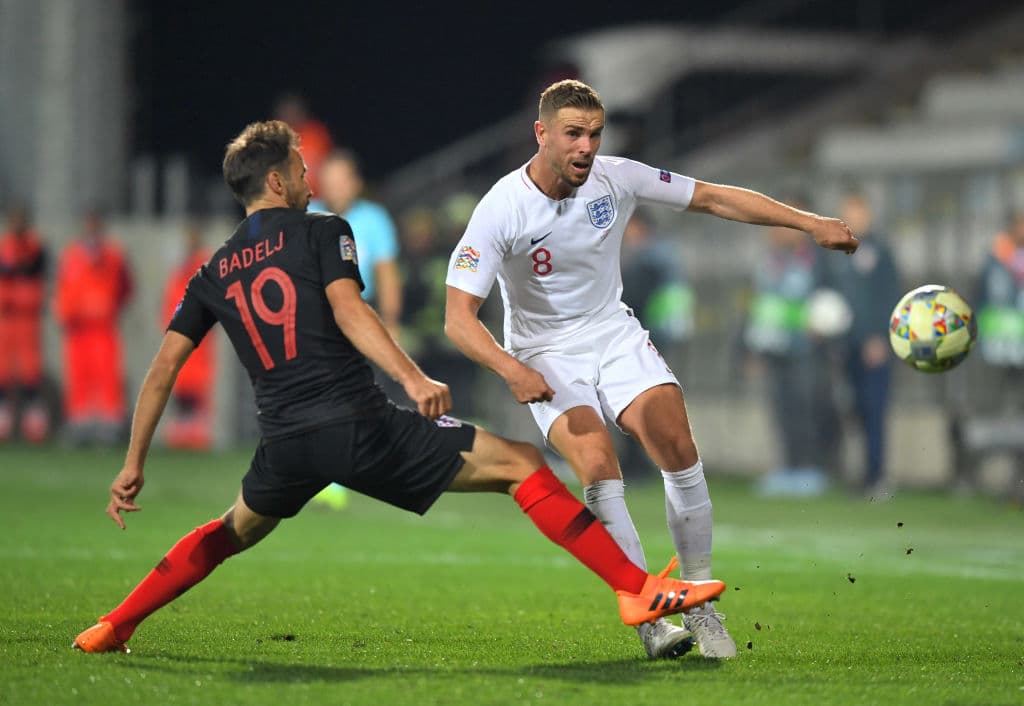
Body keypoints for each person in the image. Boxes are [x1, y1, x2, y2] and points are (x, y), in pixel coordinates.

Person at [72, 120, 725, 656]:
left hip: (286, 444)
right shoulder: (324, 231)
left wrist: (132, 463)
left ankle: (115, 624)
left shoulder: (215, 269)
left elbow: (161, 369)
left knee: (231, 531)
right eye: (301, 169)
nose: (309, 178)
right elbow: (350, 310)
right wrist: (413, 379)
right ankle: (636, 589)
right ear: (276, 180)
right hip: (358, 424)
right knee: (521, 465)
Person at [444, 80, 858, 659]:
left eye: (594, 134)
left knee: (676, 442)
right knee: (595, 461)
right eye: (572, 134)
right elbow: (458, 319)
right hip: (542, 351)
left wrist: (809, 223)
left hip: (611, 331)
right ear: (542, 134)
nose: (586, 147)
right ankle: (646, 608)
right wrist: (510, 368)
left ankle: (699, 598)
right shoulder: (502, 207)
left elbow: (714, 197)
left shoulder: (619, 176)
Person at [309, 149, 403, 509]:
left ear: (356, 183)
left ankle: (336, 473)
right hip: (314, 320)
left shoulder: (373, 220)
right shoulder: (309, 216)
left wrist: (391, 322)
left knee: (348, 394)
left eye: (342, 179)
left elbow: (386, 273)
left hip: (358, 318)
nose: (336, 187)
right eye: (330, 180)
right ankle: (329, 471)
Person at [744, 199, 830, 497]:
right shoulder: (768, 261)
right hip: (772, 348)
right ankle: (788, 469)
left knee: (804, 410)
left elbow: (830, 303)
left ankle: (810, 470)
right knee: (780, 412)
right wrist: (751, 350)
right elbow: (758, 307)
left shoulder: (816, 261)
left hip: (804, 349)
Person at [825, 193, 902, 498]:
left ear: (868, 214)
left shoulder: (881, 252)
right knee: (853, 411)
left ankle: (877, 476)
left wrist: (881, 337)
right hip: (847, 347)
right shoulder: (835, 252)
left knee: (874, 410)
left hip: (874, 348)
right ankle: (859, 474)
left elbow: (890, 295)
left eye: (857, 212)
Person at [54, 207, 134, 445]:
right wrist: (67, 313)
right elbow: (62, 287)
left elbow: (126, 287)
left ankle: (108, 428)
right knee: (79, 377)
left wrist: (109, 307)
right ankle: (80, 427)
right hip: (78, 328)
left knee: (106, 376)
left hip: (103, 327)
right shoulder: (71, 256)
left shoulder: (113, 256)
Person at [160, 220, 216, 450]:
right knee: (182, 387)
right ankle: (183, 434)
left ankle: (193, 435)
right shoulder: (181, 270)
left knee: (195, 389)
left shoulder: (202, 267)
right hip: (182, 339)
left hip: (198, 342)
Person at [0, 202, 49, 442]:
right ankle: (4, 417)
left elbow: (37, 277)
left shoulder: (35, 248)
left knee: (30, 367)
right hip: (6, 315)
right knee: (3, 367)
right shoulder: (4, 248)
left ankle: (33, 419)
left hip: (27, 315)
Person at [273, 93, 333, 196]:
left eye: (293, 110)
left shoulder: (317, 134)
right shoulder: (272, 138)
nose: (290, 115)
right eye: (286, 111)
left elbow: (331, 165)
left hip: (318, 199)